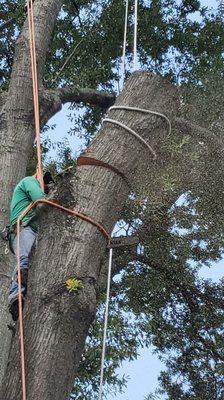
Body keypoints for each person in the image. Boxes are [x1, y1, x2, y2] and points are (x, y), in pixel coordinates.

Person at [8, 171, 54, 321]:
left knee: (32, 267)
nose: (45, 188)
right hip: (23, 229)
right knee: (24, 263)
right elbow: (41, 200)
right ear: (38, 177)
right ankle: (15, 297)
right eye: (45, 184)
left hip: (32, 231)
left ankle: (23, 294)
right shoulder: (29, 181)